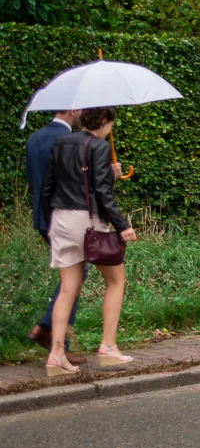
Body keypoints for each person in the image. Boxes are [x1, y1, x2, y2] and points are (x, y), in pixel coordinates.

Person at [39, 107, 138, 376]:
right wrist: (123, 226)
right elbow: (102, 193)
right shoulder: (99, 146)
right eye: (111, 125)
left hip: (60, 219)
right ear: (103, 121)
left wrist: (52, 223)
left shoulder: (61, 143)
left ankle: (56, 354)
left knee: (67, 288)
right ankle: (108, 346)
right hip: (87, 220)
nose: (110, 130)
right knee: (116, 281)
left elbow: (47, 189)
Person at [24, 109, 87, 365]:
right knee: (74, 275)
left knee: (70, 274)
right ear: (72, 110)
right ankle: (51, 333)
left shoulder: (34, 139)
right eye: (81, 108)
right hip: (64, 216)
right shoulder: (69, 141)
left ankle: (53, 334)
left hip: (42, 216)